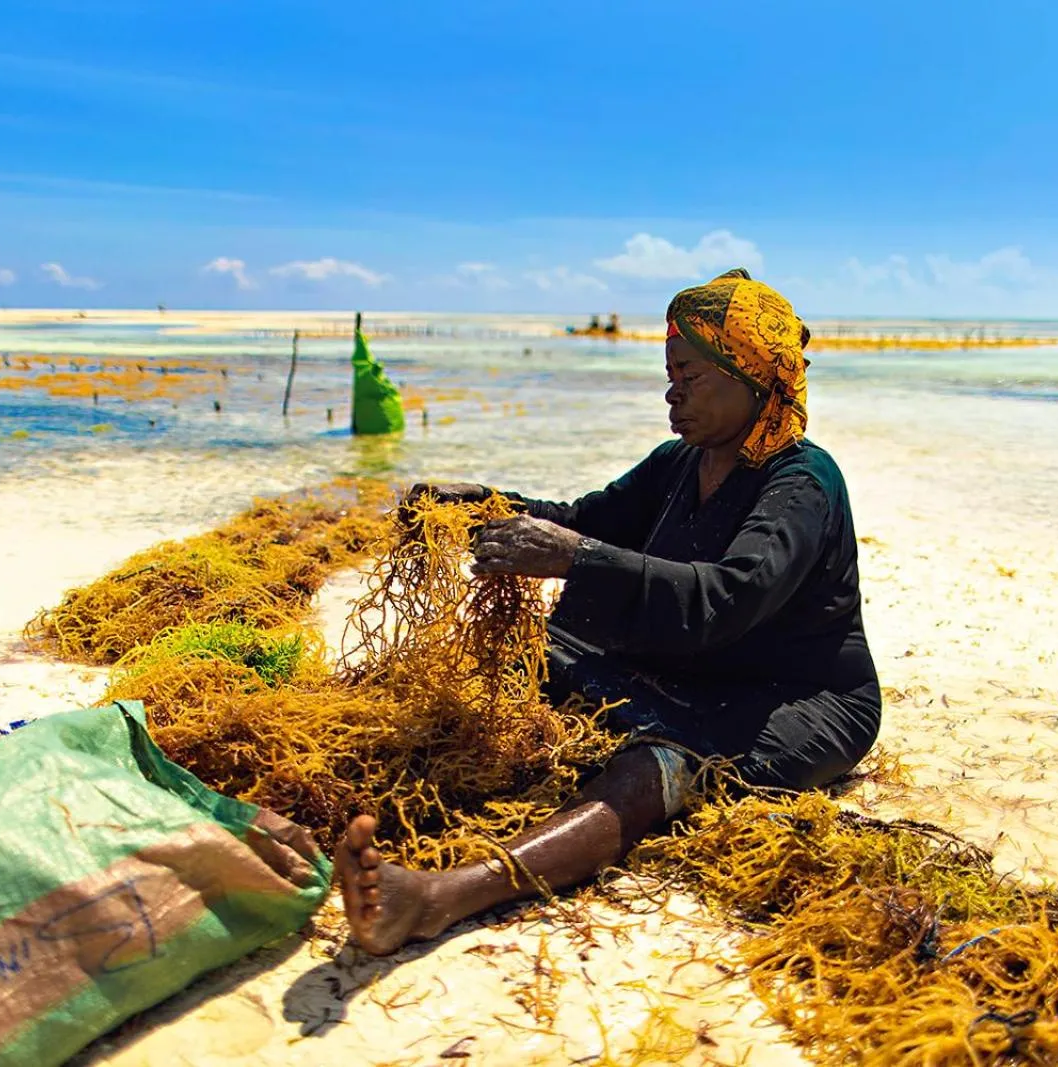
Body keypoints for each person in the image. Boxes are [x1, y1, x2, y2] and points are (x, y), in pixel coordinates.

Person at [337, 269, 883, 956]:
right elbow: (584, 520)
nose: (670, 391)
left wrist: (577, 557)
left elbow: (725, 597)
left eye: (689, 375)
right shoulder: (681, 462)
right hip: (694, 666)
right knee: (536, 650)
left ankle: (440, 896)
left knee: (665, 759)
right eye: (668, 373)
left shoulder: (802, 482)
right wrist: (478, 503)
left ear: (748, 374)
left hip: (801, 697)